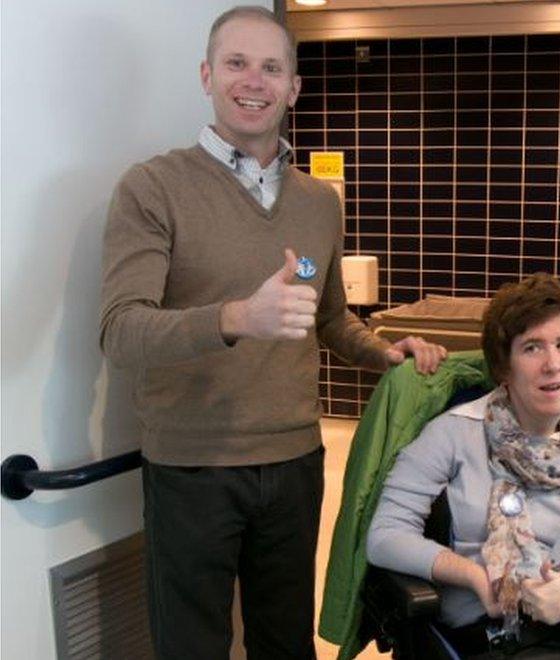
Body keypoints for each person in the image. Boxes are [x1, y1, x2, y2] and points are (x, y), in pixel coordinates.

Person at [98, 7, 445, 659]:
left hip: (293, 463)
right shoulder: (153, 189)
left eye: (271, 67)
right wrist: (234, 318)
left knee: (285, 642)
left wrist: (385, 351)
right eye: (236, 63)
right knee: (191, 644)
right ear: (207, 75)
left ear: (294, 86)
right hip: (192, 466)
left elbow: (329, 317)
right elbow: (121, 331)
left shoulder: (318, 202)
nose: (252, 81)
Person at [367, 274, 560, 659]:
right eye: (532, 348)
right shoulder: (451, 435)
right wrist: (475, 577)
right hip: (498, 631)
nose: (553, 364)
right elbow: (385, 536)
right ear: (504, 365)